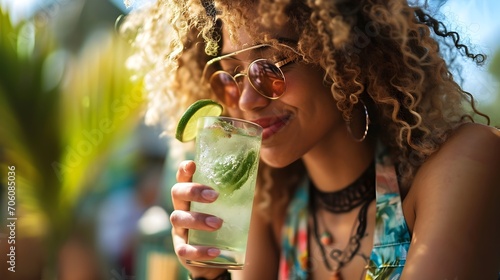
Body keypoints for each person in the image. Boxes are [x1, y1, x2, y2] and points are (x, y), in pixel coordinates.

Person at [122, 0, 500, 279]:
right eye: (231, 76)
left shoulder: (465, 164)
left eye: (269, 67)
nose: (248, 101)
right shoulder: (265, 212)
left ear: (343, 53)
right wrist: (209, 274)